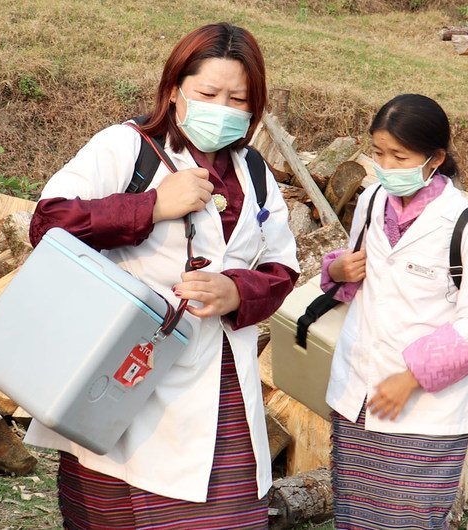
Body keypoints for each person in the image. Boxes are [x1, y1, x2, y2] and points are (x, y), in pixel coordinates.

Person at [26, 22, 299, 529]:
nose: (224, 108)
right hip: (121, 367)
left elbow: (282, 267)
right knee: (112, 504)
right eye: (208, 93)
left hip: (216, 386)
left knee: (224, 513)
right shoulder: (125, 148)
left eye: (238, 99)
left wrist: (237, 291)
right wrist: (152, 206)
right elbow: (48, 223)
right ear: (174, 91)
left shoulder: (254, 172)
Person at [321, 94, 468, 529]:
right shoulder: (370, 201)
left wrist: (410, 379)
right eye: (379, 153)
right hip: (361, 395)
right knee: (355, 515)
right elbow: (359, 278)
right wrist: (339, 268)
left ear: (434, 158)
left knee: (410, 519)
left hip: (424, 410)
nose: (386, 165)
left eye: (400, 156)